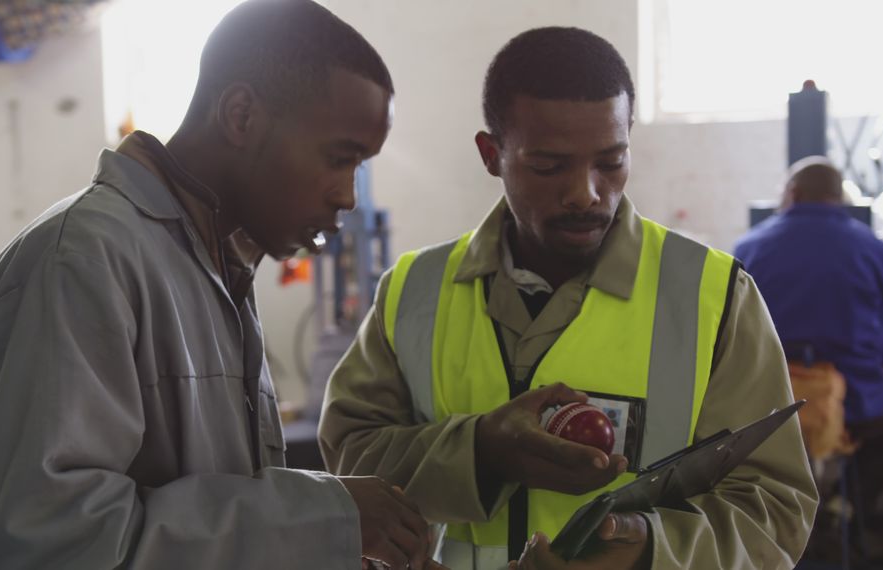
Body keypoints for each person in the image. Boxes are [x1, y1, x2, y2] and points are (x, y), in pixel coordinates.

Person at [0, 2, 440, 568]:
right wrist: (321, 517)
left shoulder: (214, 264)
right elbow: (43, 545)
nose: (348, 196)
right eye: (340, 158)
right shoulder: (80, 261)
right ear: (241, 115)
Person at [319, 27, 818, 569]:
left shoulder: (714, 297)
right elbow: (350, 460)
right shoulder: (413, 291)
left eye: (610, 162)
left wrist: (650, 551)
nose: (586, 192)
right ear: (492, 154)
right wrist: (481, 451)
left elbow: (774, 505)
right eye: (549, 166)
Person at [734, 158, 883, 544]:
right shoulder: (874, 248)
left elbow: (732, 337)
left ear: (793, 193)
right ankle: (842, 512)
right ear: (839, 199)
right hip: (853, 402)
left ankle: (775, 524)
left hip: (770, 406)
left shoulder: (749, 246)